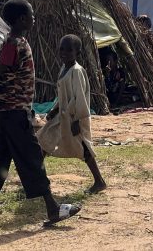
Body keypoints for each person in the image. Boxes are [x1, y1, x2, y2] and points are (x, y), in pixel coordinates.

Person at [0, 0, 80, 225]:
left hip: (10, 114)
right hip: (14, 114)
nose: (34, 18)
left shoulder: (18, 42)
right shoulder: (13, 45)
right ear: (22, 19)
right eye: (31, 15)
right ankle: (53, 209)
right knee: (32, 158)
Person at [37, 35, 107, 193]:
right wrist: (54, 110)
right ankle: (38, 179)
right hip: (62, 116)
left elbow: (79, 97)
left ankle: (99, 181)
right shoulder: (64, 69)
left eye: (69, 50)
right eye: (62, 49)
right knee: (44, 140)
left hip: (75, 117)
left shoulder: (76, 71)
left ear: (77, 52)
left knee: (83, 148)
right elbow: (63, 95)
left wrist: (76, 121)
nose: (64, 53)